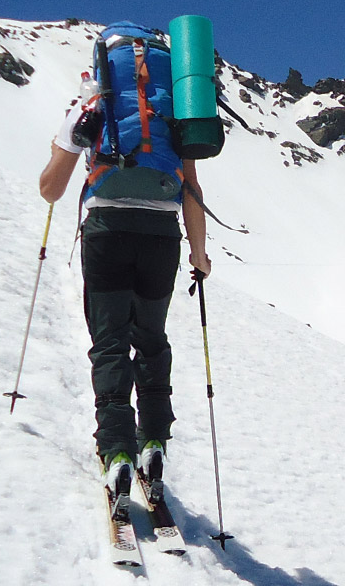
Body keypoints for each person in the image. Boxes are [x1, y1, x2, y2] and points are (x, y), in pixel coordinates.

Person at [38, 85, 215, 487]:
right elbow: (191, 187)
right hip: (161, 237)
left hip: (107, 232)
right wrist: (199, 254)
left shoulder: (91, 105)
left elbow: (51, 189)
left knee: (110, 342)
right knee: (151, 338)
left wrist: (64, 149)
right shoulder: (173, 108)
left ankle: (117, 448)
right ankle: (153, 440)